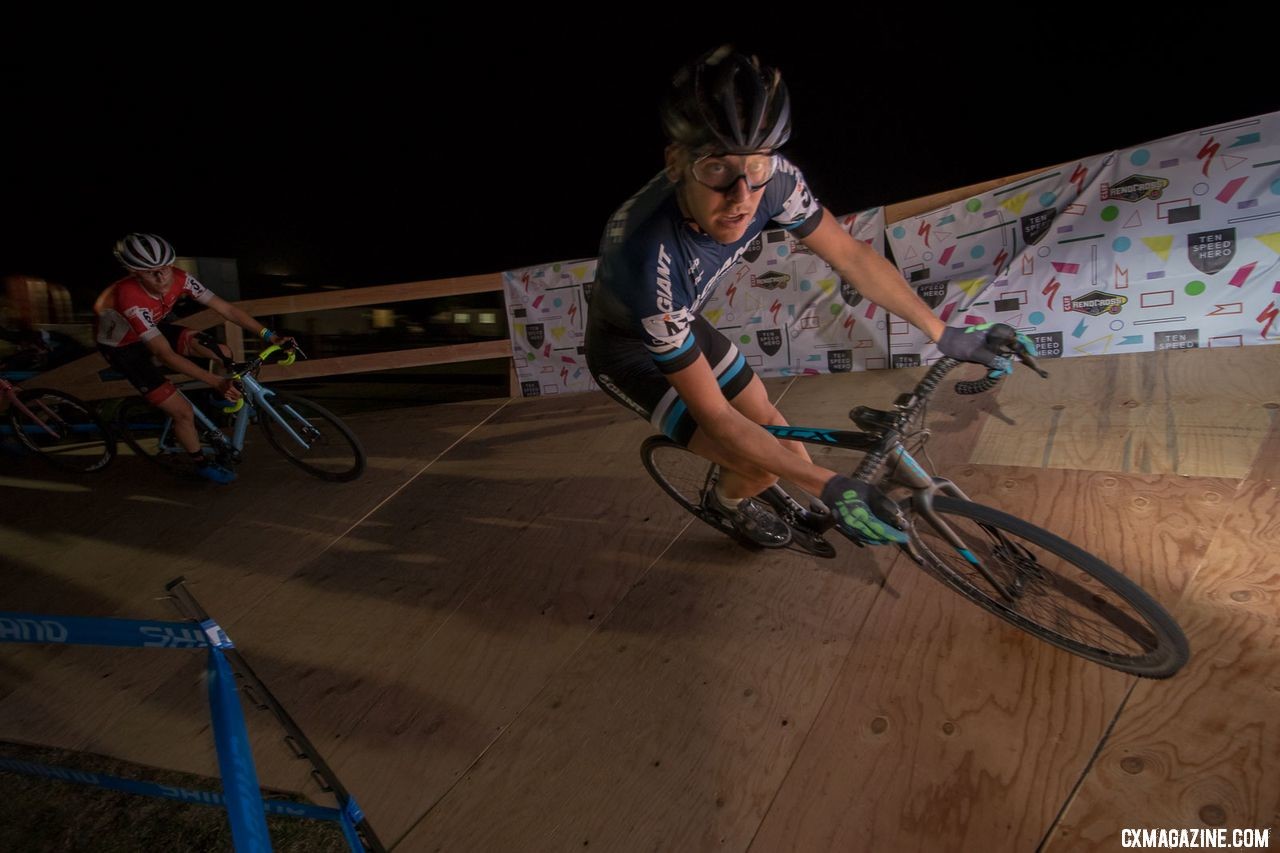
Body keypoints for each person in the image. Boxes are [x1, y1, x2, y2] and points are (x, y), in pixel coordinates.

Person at [585, 46, 1032, 548]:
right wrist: (833, 484)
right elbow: (718, 419)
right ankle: (727, 504)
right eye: (715, 169)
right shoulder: (645, 258)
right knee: (759, 467)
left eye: (756, 169)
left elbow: (853, 258)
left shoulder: (775, 181)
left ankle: (761, 485)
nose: (741, 197)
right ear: (674, 162)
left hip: (682, 325)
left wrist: (943, 332)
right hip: (628, 353)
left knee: (776, 428)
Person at [95, 232, 291, 483]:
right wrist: (214, 380)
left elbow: (227, 309)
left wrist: (270, 336)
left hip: (151, 328)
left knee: (222, 351)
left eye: (165, 267)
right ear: (133, 271)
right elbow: (163, 353)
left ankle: (219, 399)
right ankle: (201, 463)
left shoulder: (179, 277)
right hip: (124, 349)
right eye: (149, 271)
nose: (161, 277)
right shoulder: (128, 297)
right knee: (183, 412)